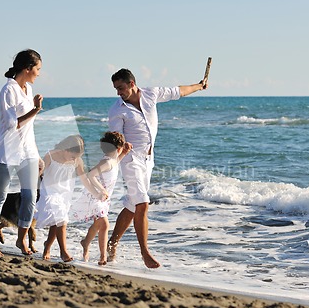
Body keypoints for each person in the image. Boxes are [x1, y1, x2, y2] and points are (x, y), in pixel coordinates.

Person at [107, 68, 208, 268]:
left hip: (148, 159)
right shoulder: (117, 110)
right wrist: (120, 148)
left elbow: (178, 91)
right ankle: (145, 253)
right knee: (142, 203)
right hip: (130, 160)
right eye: (116, 89)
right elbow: (114, 138)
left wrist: (199, 85)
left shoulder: (151, 94)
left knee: (131, 204)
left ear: (132, 84)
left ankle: (111, 243)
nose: (118, 92)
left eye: (121, 88)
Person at [0, 49, 43, 256]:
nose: (38, 73)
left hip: (27, 152)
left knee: (30, 197)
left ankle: (21, 239)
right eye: (37, 69)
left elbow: (29, 130)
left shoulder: (27, 88)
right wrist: (35, 110)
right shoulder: (8, 89)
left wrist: (37, 155)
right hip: (5, 152)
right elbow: (11, 124)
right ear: (27, 69)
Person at [71, 131, 132, 266]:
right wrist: (102, 190)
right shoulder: (107, 162)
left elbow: (116, 161)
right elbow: (91, 175)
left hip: (103, 198)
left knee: (98, 224)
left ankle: (86, 242)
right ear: (118, 148)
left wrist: (124, 153)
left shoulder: (112, 160)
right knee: (104, 224)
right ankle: (103, 256)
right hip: (95, 196)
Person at [35, 135, 99, 262]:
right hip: (49, 192)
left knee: (57, 222)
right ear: (66, 149)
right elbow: (38, 173)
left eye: (77, 156)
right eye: (73, 156)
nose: (75, 158)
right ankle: (63, 252)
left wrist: (96, 193)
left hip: (65, 195)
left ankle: (47, 246)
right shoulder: (50, 156)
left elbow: (84, 179)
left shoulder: (77, 161)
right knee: (61, 219)